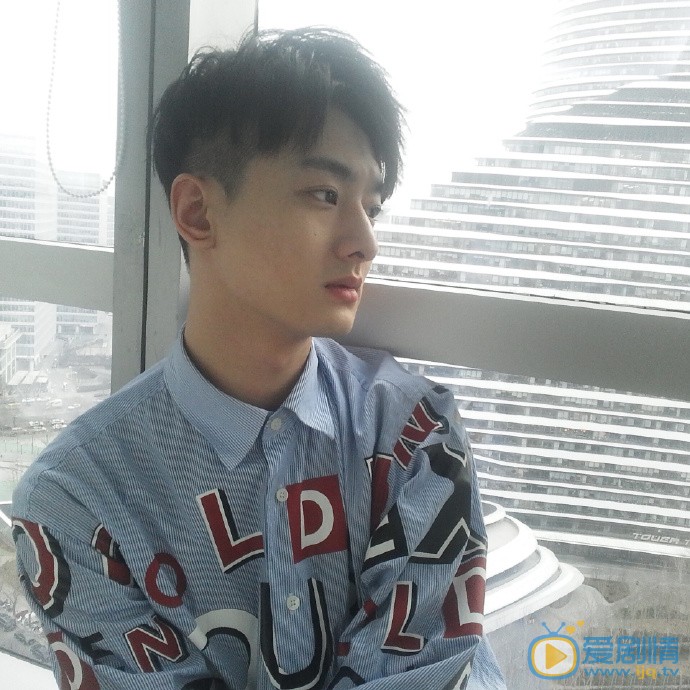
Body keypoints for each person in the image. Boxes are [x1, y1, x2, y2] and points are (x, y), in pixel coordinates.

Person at [12, 28, 506, 690]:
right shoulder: (80, 498)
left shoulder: (412, 435)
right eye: (325, 195)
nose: (364, 242)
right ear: (198, 212)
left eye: (371, 207)